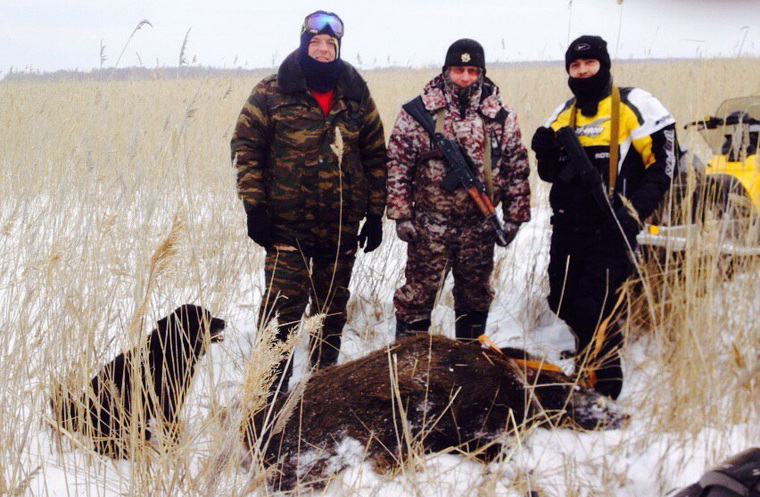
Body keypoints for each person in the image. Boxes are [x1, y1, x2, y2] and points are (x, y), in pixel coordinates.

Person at [231, 11, 387, 397]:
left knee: (330, 315)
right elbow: (246, 149)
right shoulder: (271, 92)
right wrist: (255, 209)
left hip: (340, 226)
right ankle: (268, 399)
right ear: (304, 44)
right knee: (280, 316)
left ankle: (321, 393)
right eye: (315, 43)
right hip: (287, 227)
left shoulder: (355, 94)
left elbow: (376, 155)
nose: (322, 50)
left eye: (330, 44)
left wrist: (375, 213)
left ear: (338, 48)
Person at [531, 35, 677, 399]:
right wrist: (543, 153)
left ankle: (605, 390)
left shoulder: (636, 104)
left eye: (589, 64)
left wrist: (633, 213)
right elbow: (550, 174)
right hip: (567, 227)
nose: (582, 72)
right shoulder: (563, 113)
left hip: (611, 229)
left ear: (604, 65)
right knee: (562, 301)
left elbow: (664, 165)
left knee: (595, 306)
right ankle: (586, 375)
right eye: (575, 66)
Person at [386, 39, 531, 342]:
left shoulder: (500, 115)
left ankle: (467, 366)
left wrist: (515, 217)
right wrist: (402, 216)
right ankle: (408, 366)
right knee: (416, 298)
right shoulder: (420, 111)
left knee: (475, 296)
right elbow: (398, 164)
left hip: (480, 225)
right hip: (429, 226)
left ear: (481, 72)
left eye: (471, 70)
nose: (464, 77)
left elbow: (516, 167)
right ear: (446, 70)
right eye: (458, 70)